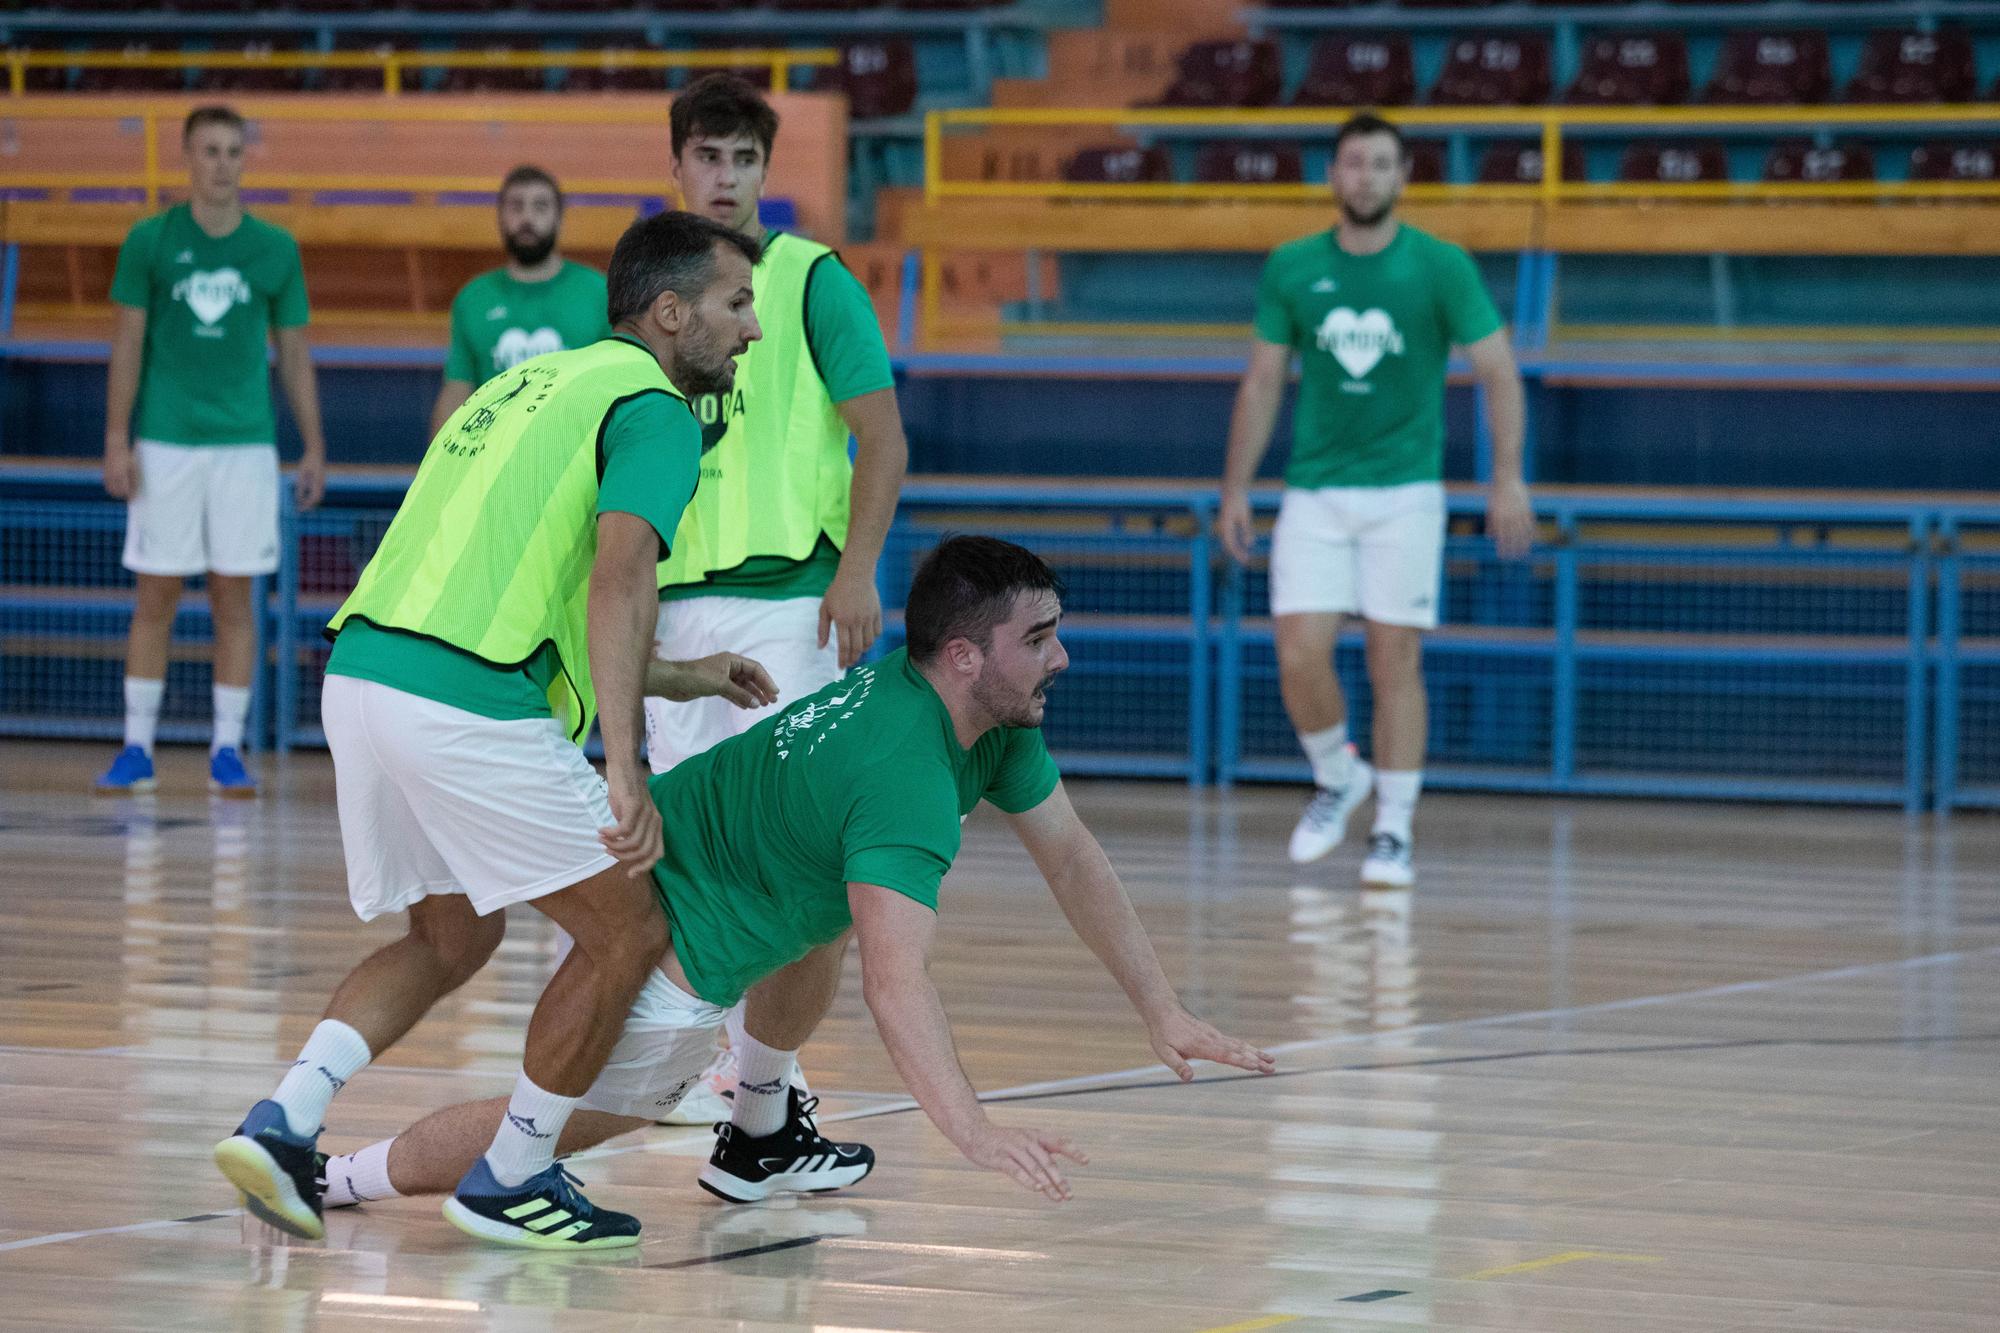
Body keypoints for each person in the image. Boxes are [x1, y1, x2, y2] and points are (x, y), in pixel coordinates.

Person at [317, 536, 1274, 1231]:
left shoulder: (980, 719)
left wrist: (1163, 1008)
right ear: (966, 655)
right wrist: (973, 1131)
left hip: (709, 858)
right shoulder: (903, 777)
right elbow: (899, 987)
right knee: (569, 1118)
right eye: (1043, 637)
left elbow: (1072, 857)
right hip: (677, 920)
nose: (1062, 656)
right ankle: (338, 1179)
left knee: (837, 909)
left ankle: (761, 1127)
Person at [211, 210, 769, 1252]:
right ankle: (513, 1173)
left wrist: (683, 671)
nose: (751, 331)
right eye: (736, 305)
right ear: (667, 311)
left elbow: (534, 595)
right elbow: (615, 579)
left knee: (452, 935)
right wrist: (623, 767)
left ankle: (286, 1118)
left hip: (368, 673)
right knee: (632, 927)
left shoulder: (531, 383)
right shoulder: (651, 409)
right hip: (464, 701)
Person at [647, 73, 909, 1125]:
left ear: (765, 169)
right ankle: (754, 1090)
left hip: (789, 606)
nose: (724, 175)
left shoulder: (808, 279)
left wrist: (857, 569)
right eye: (707, 156)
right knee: (691, 863)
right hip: (669, 618)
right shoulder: (647, 290)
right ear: (676, 167)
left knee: (805, 867)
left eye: (743, 159)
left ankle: (756, 1086)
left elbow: (882, 437)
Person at [1219, 111, 1534, 889]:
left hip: (1405, 493)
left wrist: (1508, 477)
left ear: (1403, 176)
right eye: (1354, 163)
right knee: (1298, 651)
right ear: (1334, 174)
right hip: (1316, 490)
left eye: (1381, 163)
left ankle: (1393, 824)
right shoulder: (1292, 266)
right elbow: (1262, 382)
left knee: (1395, 658)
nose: (1366, 176)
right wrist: (1235, 487)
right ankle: (1338, 773)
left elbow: (1498, 370)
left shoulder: (1439, 266)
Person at [95, 104, 328, 799]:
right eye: (210, 150)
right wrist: (115, 437)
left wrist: (313, 444)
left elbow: (293, 353)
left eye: (233, 150)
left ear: (243, 160)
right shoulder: (150, 240)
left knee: (235, 596)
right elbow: (128, 343)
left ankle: (226, 748)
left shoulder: (275, 249)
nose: (222, 162)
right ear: (187, 157)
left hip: (245, 448)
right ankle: (137, 745)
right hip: (165, 441)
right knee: (156, 591)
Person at [427, 165, 610, 436]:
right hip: (494, 454)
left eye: (540, 207)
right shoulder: (473, 297)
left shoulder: (599, 291)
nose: (527, 218)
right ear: (499, 217)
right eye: (516, 206)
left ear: (559, 218)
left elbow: (615, 385)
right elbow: (457, 389)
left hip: (575, 450)